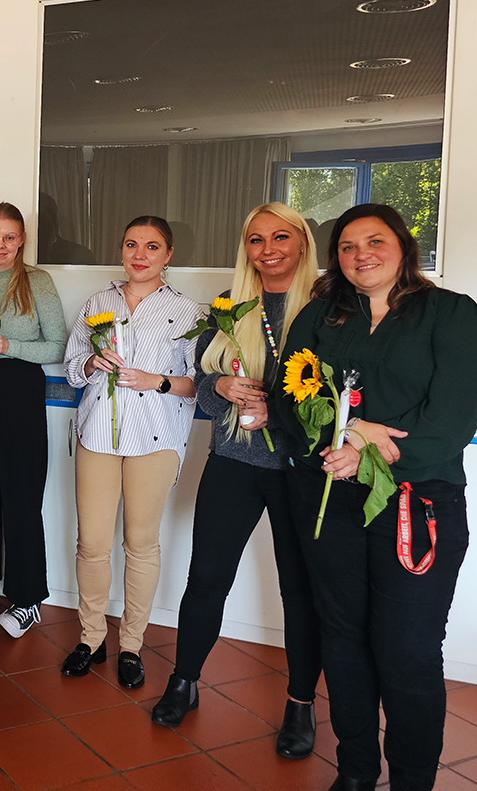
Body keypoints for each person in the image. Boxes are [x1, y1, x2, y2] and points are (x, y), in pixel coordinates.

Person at [275, 204, 477, 791]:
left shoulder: (451, 314)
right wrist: (347, 435)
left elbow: (452, 421)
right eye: (347, 246)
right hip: (331, 499)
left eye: (375, 241)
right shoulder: (320, 315)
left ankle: (412, 780)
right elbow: (288, 400)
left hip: (416, 506)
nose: (361, 255)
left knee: (407, 649)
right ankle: (355, 772)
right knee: (343, 638)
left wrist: (368, 450)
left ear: (403, 246)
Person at [150, 203, 322, 760]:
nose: (268, 249)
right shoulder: (230, 306)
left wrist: (284, 415)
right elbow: (202, 388)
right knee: (206, 579)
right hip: (233, 462)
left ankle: (300, 704)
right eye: (255, 239)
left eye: (280, 237)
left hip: (298, 471)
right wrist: (221, 387)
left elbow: (341, 395)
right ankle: (184, 681)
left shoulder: (328, 307)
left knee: (300, 591)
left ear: (302, 242)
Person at [60, 215, 199, 688]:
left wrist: (156, 380)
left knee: (141, 545)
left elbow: (198, 383)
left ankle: (132, 645)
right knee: (92, 544)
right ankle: (91, 638)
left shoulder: (187, 311)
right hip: (98, 435)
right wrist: (90, 362)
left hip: (155, 440)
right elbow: (72, 369)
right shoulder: (97, 302)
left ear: (168, 255)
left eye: (152, 246)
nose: (140, 255)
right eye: (131, 244)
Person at [0, 202, 67, 638]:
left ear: (22, 239)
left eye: (9, 237)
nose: (1, 245)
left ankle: (27, 598)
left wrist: (10, 347)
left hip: (21, 390)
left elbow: (58, 346)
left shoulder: (37, 281)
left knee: (22, 497)